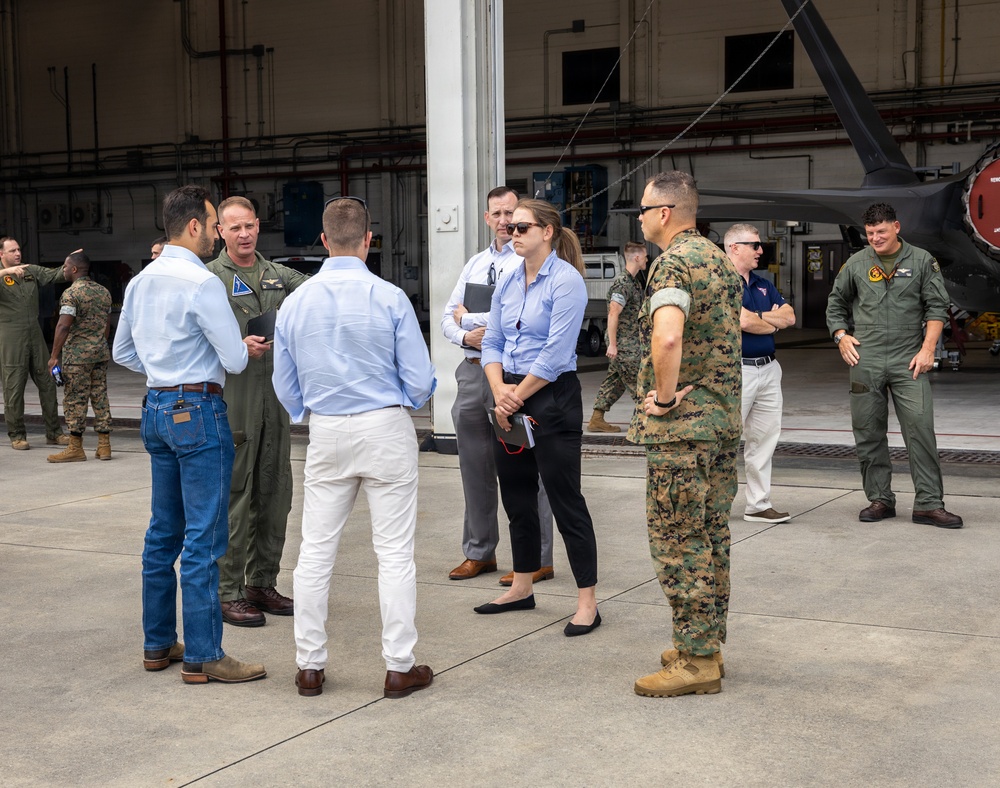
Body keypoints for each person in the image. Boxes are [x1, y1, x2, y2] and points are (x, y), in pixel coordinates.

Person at [273, 196, 437, 699]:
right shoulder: (389, 298)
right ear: (369, 240)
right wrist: (407, 400)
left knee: (315, 551)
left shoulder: (295, 301)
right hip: (384, 427)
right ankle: (398, 666)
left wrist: (310, 411)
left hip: (327, 430)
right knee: (393, 554)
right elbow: (419, 378)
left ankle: (309, 665)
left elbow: (285, 383)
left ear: (322, 241)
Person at [113, 184, 266, 684]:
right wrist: (237, 347)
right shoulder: (202, 283)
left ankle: (158, 644)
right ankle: (205, 654)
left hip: (156, 408)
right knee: (204, 537)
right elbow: (235, 360)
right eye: (215, 225)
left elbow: (123, 353)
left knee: (163, 533)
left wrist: (163, 369)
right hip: (198, 410)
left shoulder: (141, 280)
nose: (221, 235)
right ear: (196, 226)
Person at [627, 171, 742, 698]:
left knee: (678, 539)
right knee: (711, 533)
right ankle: (708, 645)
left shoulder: (671, 262)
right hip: (721, 423)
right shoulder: (719, 258)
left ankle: (696, 661)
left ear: (666, 213)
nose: (642, 216)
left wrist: (667, 397)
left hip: (683, 430)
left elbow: (668, 336)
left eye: (645, 209)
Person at [478, 198, 601, 637]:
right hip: (508, 391)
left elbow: (555, 352)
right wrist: (499, 391)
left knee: (566, 499)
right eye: (510, 228)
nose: (513, 233)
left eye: (522, 227)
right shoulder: (509, 280)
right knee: (516, 495)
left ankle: (587, 601)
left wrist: (514, 397)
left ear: (547, 232)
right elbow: (491, 341)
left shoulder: (566, 282)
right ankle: (522, 586)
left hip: (551, 397)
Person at [441, 185, 555, 586]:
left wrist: (469, 319)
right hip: (473, 372)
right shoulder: (474, 264)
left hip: (512, 377)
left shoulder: (529, 260)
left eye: (513, 214)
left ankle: (539, 558)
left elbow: (513, 320)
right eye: (498, 215)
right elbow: (445, 319)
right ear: (487, 219)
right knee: (474, 468)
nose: (506, 222)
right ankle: (479, 552)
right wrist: (463, 334)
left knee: (527, 468)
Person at [826, 202, 963, 529]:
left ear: (896, 227)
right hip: (866, 356)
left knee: (920, 429)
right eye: (870, 233)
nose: (875, 238)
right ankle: (880, 499)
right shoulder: (857, 263)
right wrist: (841, 336)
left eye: (881, 231)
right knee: (868, 431)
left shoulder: (921, 260)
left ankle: (929, 504)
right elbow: (836, 304)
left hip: (908, 358)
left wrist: (928, 348)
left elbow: (937, 308)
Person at [207, 196, 308, 627]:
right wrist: (233, 346)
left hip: (275, 402)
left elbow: (316, 289)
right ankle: (227, 591)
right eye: (235, 228)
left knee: (274, 491)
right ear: (220, 233)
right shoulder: (209, 279)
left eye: (249, 226)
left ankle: (260, 582)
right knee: (236, 496)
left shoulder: (275, 274)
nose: (244, 234)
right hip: (234, 400)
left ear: (257, 226)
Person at [725, 224, 796, 523]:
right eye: (754, 245)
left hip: (768, 368)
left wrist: (761, 319)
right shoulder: (722, 282)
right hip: (736, 371)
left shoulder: (763, 283)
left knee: (764, 440)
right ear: (734, 248)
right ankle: (714, 506)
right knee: (725, 440)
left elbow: (790, 316)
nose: (760, 251)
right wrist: (769, 320)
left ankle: (758, 504)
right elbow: (742, 322)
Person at [0, 237, 70, 450]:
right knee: (14, 387)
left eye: (19, 249)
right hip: (11, 337)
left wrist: (71, 262)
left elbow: (56, 274)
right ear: (1, 254)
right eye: (12, 251)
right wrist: (5, 273)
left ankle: (54, 432)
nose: (18, 254)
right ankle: (17, 435)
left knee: (48, 383)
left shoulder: (30, 271)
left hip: (35, 335)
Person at [46, 251, 113, 462]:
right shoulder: (104, 292)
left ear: (74, 269)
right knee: (100, 396)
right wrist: (99, 344)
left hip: (77, 358)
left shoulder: (71, 294)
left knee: (75, 400)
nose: (63, 270)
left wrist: (54, 356)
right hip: (100, 353)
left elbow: (63, 325)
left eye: (65, 267)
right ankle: (104, 445)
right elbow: (106, 326)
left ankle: (75, 447)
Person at [588, 240, 648, 433]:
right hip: (625, 345)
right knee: (640, 383)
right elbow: (613, 312)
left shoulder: (634, 282)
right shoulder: (623, 283)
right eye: (645, 256)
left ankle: (597, 418)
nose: (647, 260)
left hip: (629, 342)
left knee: (615, 381)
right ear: (637, 257)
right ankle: (642, 427)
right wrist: (612, 345)